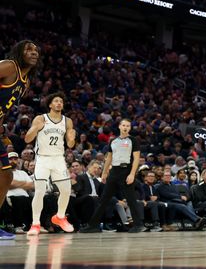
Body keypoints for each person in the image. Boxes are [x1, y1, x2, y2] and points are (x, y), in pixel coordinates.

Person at [0, 39, 40, 240]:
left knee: (6, 176)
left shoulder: (26, 82)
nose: (34, 52)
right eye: (28, 49)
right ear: (18, 52)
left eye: (36, 50)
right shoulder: (8, 66)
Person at [24, 92, 76, 235]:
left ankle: (59, 217)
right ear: (50, 104)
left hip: (58, 158)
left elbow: (70, 144)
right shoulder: (41, 118)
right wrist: (35, 128)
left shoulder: (67, 121)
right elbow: (27, 139)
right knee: (40, 191)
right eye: (56, 101)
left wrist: (72, 139)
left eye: (61, 101)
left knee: (66, 190)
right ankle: (35, 224)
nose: (59, 103)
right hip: (42, 159)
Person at [81, 119, 145, 233]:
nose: (125, 127)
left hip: (126, 171)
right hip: (114, 172)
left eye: (128, 126)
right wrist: (105, 173)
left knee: (131, 199)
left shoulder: (133, 140)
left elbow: (136, 159)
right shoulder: (113, 141)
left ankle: (138, 225)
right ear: (119, 127)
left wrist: (132, 174)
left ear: (130, 128)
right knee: (104, 199)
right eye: (123, 125)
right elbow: (109, 158)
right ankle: (93, 225)